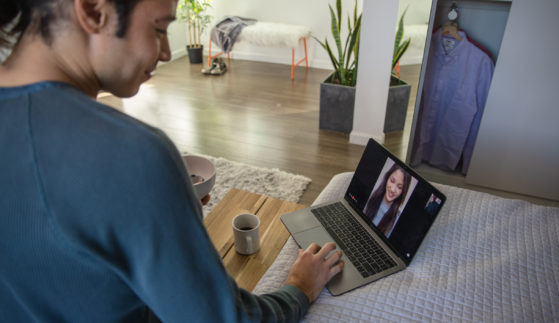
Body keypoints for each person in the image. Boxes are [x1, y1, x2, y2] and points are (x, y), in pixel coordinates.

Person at [0, 0, 344, 322]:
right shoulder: (132, 153)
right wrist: (299, 287)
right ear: (93, 10)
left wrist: (154, 206)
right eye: (160, 29)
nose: (166, 52)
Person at [363, 163, 412, 237]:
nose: (392, 189)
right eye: (392, 181)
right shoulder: (371, 195)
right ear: (387, 178)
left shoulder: (396, 220)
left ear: (403, 191)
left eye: (399, 187)